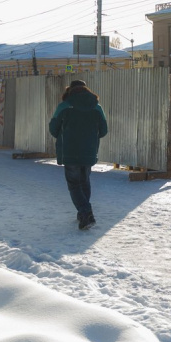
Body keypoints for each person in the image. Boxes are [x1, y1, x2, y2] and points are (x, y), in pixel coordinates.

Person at [48, 79, 108, 230]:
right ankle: (83, 214)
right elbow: (104, 130)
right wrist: (90, 139)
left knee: (74, 185)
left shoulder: (64, 106)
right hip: (89, 151)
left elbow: (53, 128)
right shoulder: (97, 107)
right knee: (84, 181)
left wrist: (66, 135)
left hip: (70, 151)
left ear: (70, 91)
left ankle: (86, 213)